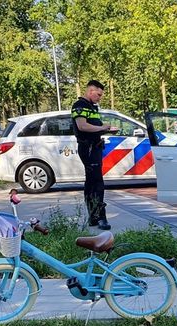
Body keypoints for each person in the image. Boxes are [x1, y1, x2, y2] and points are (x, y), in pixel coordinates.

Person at [71, 80, 117, 230]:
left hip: (94, 147)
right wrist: (103, 127)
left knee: (91, 182)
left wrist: (105, 130)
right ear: (90, 91)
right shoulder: (80, 105)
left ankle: (93, 216)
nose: (100, 97)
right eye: (98, 94)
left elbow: (93, 127)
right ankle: (101, 217)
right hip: (88, 148)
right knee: (97, 183)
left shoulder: (91, 107)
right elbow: (82, 126)